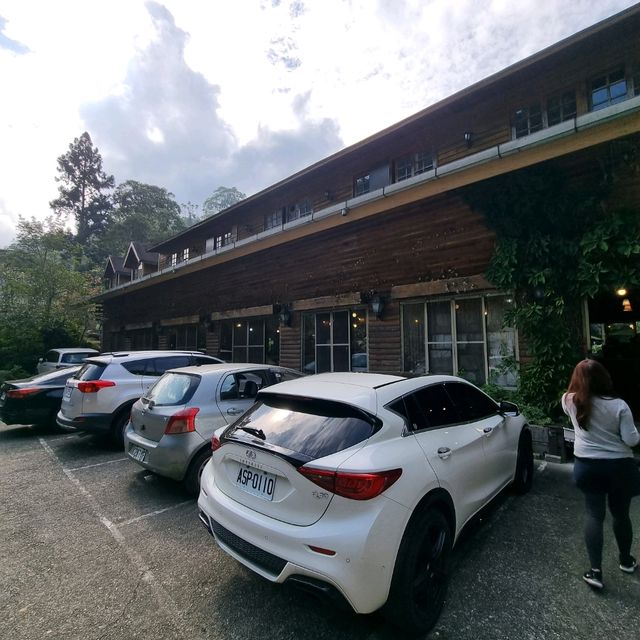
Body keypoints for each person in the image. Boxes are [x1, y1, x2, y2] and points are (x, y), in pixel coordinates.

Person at [562, 359, 640, 590]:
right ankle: (626, 560)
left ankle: (595, 572)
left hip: (587, 466)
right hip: (618, 467)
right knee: (620, 514)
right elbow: (631, 440)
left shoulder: (569, 401)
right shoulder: (619, 406)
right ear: (604, 378)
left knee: (594, 515)